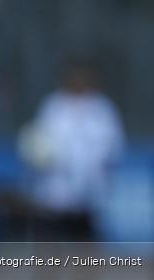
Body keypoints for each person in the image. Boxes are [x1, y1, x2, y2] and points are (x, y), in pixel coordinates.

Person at [20, 58, 125, 241]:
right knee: (48, 238)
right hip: (53, 189)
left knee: (83, 241)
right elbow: (39, 142)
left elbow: (113, 146)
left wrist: (96, 170)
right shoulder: (53, 105)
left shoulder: (101, 109)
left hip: (88, 191)